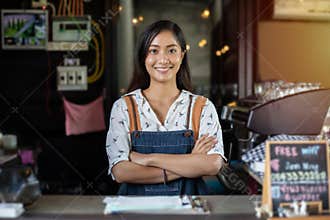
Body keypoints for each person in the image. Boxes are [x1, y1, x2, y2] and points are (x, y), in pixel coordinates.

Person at [106, 20, 225, 195]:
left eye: (171, 50)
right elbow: (121, 172)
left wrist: (148, 159)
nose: (163, 59)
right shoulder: (124, 107)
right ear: (143, 57)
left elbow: (213, 164)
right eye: (153, 51)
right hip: (135, 211)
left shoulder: (202, 107)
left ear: (182, 55)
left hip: (188, 210)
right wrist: (191, 162)